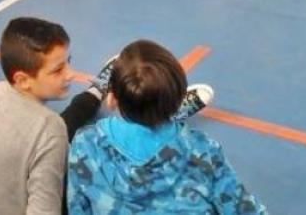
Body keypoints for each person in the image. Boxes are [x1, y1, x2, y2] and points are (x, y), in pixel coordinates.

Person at [0, 18, 212, 215]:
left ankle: (96, 91)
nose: (70, 74)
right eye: (57, 70)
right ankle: (154, 114)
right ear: (22, 79)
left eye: (68, 61)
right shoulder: (50, 129)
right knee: (111, 167)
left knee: (53, 133)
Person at [67, 40, 265, 215]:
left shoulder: (86, 142)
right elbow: (243, 209)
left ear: (111, 98)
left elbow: (77, 206)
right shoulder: (202, 150)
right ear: (178, 98)